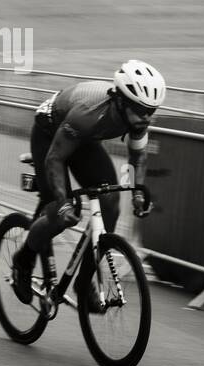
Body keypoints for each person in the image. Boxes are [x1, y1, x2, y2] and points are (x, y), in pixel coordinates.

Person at [10, 60, 165, 307]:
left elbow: (138, 157)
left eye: (151, 111)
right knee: (62, 213)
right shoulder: (89, 112)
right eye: (141, 110)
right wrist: (62, 203)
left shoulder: (137, 118)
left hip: (84, 138)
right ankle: (23, 260)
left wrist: (137, 193)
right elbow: (55, 158)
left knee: (111, 205)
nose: (146, 118)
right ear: (121, 101)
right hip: (50, 133)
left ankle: (83, 283)